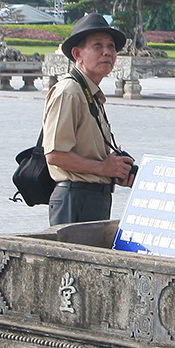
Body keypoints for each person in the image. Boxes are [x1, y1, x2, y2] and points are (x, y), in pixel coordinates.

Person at [42, 13, 136, 224]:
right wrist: (103, 168)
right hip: (75, 197)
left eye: (111, 46)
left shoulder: (90, 93)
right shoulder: (69, 91)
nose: (107, 52)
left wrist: (115, 169)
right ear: (77, 54)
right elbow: (55, 154)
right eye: (97, 46)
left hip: (94, 196)